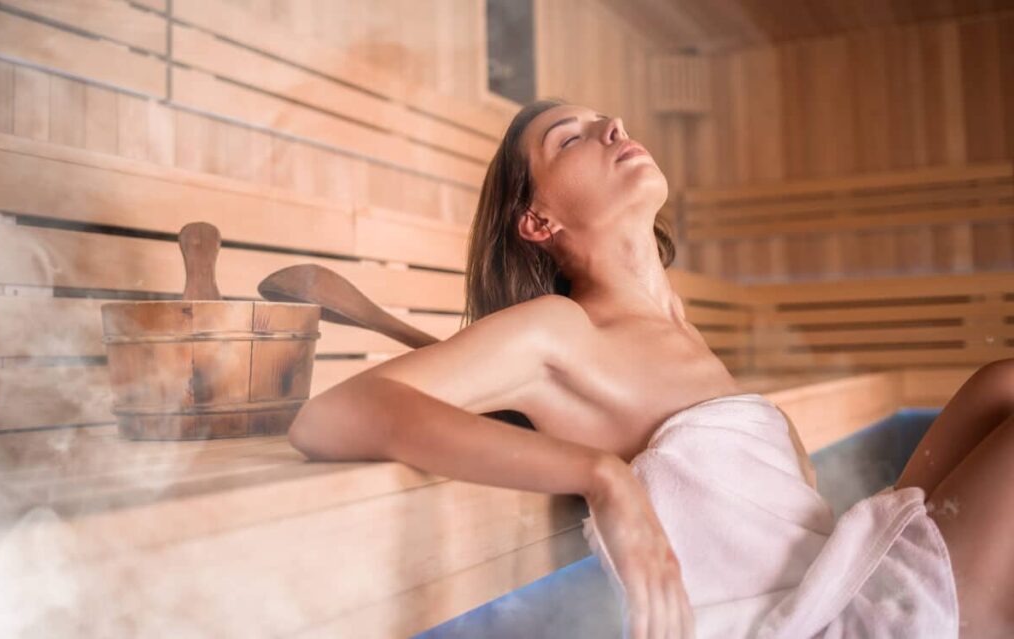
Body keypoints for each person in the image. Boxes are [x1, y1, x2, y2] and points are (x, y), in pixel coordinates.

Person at [286, 98, 1013, 639]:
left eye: (609, 120)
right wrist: (602, 477)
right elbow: (331, 415)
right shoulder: (561, 330)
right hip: (816, 626)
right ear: (538, 221)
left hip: (838, 578)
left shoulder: (681, 334)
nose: (614, 129)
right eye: (570, 136)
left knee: (998, 382)